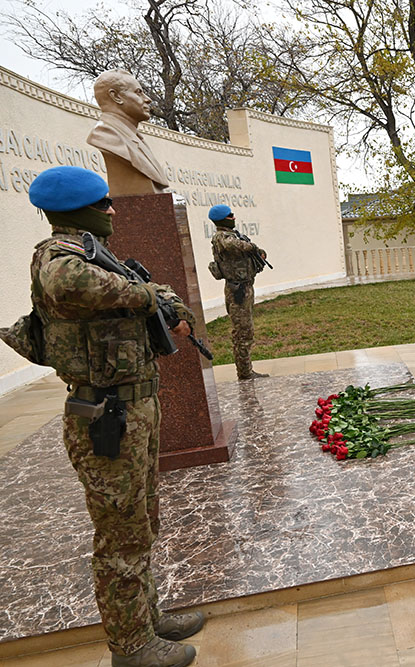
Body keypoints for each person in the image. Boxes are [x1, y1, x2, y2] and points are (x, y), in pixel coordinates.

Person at [23, 166, 203, 667]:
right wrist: (148, 296)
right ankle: (131, 646)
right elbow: (77, 286)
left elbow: (151, 288)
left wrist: (162, 300)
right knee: (119, 536)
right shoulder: (59, 259)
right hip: (105, 415)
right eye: (103, 204)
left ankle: (145, 618)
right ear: (79, 211)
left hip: (136, 407)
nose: (112, 210)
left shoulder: (97, 256)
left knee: (141, 523)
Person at [209, 204, 270, 380]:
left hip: (245, 287)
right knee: (243, 332)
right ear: (223, 219)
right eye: (231, 216)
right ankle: (244, 373)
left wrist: (258, 253)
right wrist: (252, 247)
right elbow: (234, 245)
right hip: (237, 291)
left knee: (246, 330)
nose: (234, 218)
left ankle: (246, 370)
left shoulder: (233, 235)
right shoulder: (222, 237)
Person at [86, 69, 169, 195]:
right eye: (138, 92)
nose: (147, 99)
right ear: (116, 97)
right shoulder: (105, 135)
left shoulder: (134, 137)